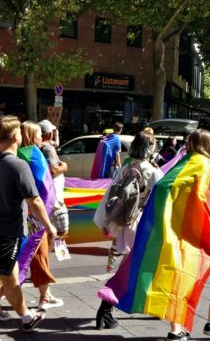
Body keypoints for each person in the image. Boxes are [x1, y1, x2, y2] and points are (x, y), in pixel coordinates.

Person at [98, 130, 210, 341]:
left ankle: (176, 329)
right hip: (197, 228)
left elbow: (166, 187)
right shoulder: (202, 162)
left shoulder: (186, 160)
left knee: (178, 273)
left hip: (177, 228)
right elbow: (191, 194)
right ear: (208, 145)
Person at [0, 116, 55, 341]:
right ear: (16, 136)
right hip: (6, 232)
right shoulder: (18, 165)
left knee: (11, 277)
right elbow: (34, 201)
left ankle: (26, 318)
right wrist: (49, 226)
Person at [93, 131, 163, 329]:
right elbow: (161, 199)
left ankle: (149, 304)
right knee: (133, 267)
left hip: (123, 222)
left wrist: (104, 222)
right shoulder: (152, 171)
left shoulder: (125, 166)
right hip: (141, 223)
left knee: (135, 265)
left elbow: (109, 195)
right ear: (150, 147)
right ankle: (105, 308)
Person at [21, 121, 61, 310]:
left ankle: (45, 295)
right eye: (37, 134)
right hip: (33, 214)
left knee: (38, 254)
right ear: (30, 135)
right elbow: (39, 187)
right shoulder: (31, 154)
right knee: (34, 254)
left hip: (32, 213)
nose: (40, 137)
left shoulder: (27, 153)